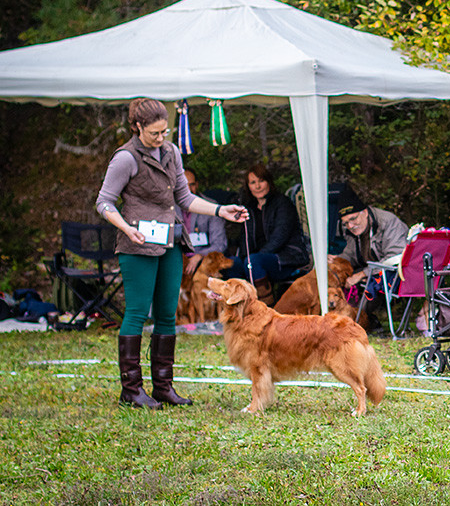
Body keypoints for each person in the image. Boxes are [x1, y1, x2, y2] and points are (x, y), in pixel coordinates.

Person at [96, 98, 248, 409]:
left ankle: (163, 387)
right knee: (137, 313)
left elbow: (185, 198)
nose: (161, 138)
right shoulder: (126, 158)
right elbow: (104, 202)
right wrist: (126, 228)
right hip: (136, 245)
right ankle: (132, 390)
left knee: (167, 314)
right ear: (137, 128)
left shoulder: (171, 152)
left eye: (165, 131)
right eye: (154, 133)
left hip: (170, 242)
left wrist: (222, 211)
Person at [225, 164, 309, 288]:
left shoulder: (282, 203)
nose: (257, 186)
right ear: (248, 186)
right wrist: (244, 260)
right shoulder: (249, 208)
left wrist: (252, 260)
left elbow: (279, 236)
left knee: (253, 261)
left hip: (286, 258)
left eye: (261, 181)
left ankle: (264, 305)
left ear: (269, 182)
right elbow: (245, 239)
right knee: (232, 263)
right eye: (253, 182)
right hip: (256, 260)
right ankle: (239, 304)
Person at [334, 188, 409, 316]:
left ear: (365, 212)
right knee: (337, 278)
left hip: (396, 273)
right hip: (371, 270)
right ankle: (340, 319)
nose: (350, 226)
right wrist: (337, 261)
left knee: (367, 283)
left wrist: (362, 274)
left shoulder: (388, 222)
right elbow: (350, 254)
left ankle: (357, 321)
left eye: (353, 219)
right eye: (346, 222)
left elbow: (395, 258)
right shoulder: (350, 228)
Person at [179, 169, 228, 281]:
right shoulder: (170, 208)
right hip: (178, 261)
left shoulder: (211, 206)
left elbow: (220, 244)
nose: (189, 190)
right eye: (184, 186)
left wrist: (200, 256)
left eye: (191, 185)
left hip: (204, 262)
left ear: (197, 185)